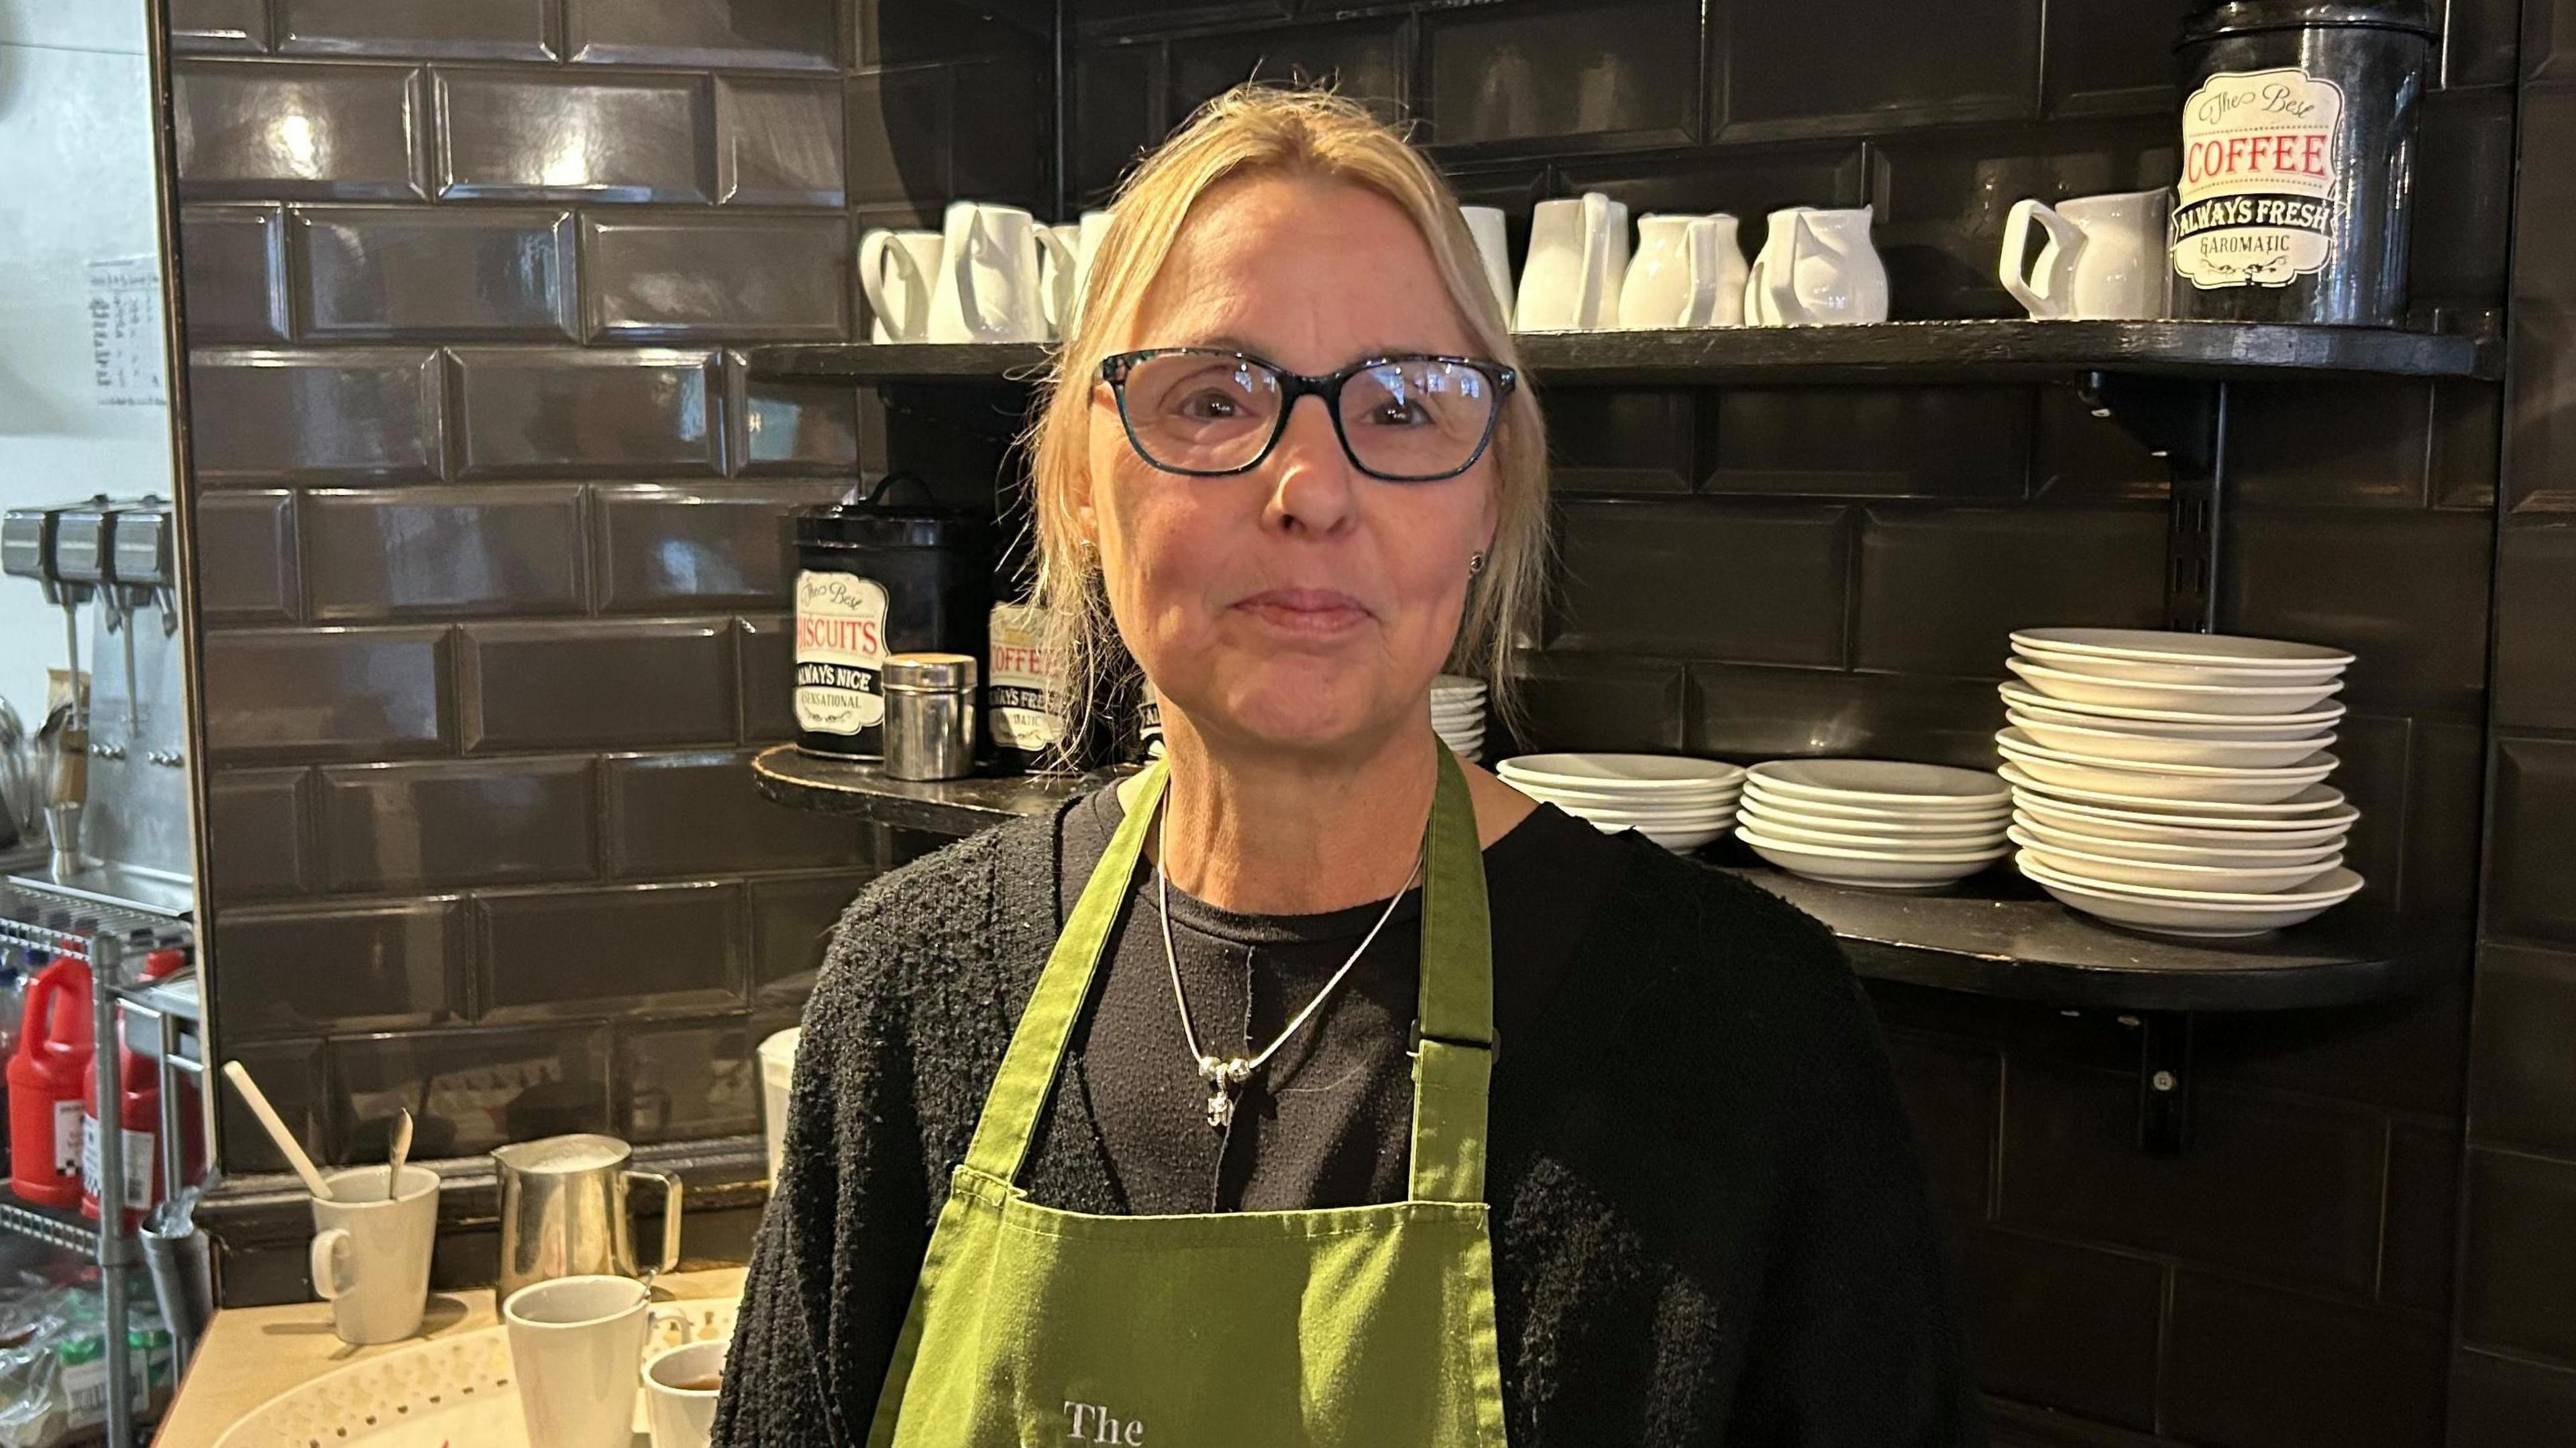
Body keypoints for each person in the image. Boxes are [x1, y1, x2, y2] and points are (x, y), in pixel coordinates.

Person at [716, 83, 1982, 1447]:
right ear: (1084, 473)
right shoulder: (908, 991)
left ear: (1489, 490)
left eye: (1401, 406)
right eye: (1211, 397)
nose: (1311, 487)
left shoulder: (1747, 1036)